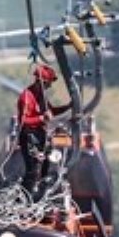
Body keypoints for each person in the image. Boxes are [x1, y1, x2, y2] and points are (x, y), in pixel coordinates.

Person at [16, 63, 68, 191]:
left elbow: (51, 111)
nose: (49, 87)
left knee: (46, 166)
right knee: (33, 170)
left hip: (40, 136)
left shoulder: (41, 97)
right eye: (48, 84)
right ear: (40, 82)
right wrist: (41, 118)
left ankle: (41, 192)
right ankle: (25, 197)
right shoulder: (27, 97)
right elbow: (23, 121)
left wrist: (68, 107)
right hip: (29, 137)